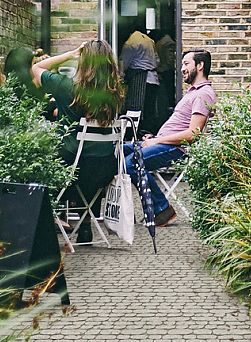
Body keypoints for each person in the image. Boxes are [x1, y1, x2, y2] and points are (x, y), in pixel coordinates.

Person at [31, 39, 125, 243]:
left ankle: (43, 224)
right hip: (105, 170)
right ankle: (84, 228)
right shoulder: (115, 94)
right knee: (88, 159)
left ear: (83, 62)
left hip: (72, 169)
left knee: (44, 162)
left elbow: (37, 67)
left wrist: (71, 53)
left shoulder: (66, 87)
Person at [124, 49, 216, 227]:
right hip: (163, 142)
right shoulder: (192, 92)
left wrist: (156, 141)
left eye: (186, 64)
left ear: (200, 66)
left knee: (130, 163)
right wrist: (156, 137)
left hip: (176, 148)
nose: (182, 68)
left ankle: (161, 209)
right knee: (114, 151)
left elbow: (192, 134)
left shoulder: (203, 94)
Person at [120, 28, 159, 135]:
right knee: (149, 111)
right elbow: (157, 60)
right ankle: (148, 133)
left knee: (136, 109)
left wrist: (120, 77)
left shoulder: (131, 42)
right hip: (154, 79)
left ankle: (134, 134)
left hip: (141, 79)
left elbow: (124, 63)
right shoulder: (149, 40)